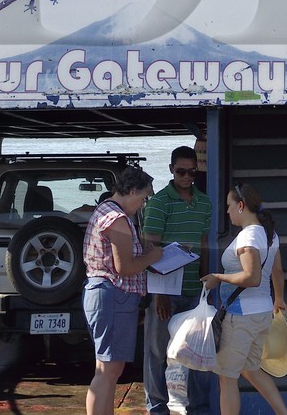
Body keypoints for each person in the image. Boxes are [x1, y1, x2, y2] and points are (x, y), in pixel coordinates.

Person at [201, 182, 287, 415]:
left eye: (230, 206)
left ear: (241, 205)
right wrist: (278, 298)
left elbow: (251, 277)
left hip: (241, 317)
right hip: (261, 314)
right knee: (251, 369)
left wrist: (217, 277)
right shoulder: (269, 234)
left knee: (226, 378)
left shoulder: (248, 236)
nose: (227, 211)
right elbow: (277, 272)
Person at [81, 164, 163, 415]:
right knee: (108, 371)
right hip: (113, 295)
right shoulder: (117, 219)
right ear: (132, 190)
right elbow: (124, 267)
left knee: (107, 369)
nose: (143, 204)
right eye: (143, 197)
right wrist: (153, 257)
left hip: (104, 294)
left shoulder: (105, 210)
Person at [142, 146, 216, 415]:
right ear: (171, 170)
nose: (187, 177)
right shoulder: (159, 202)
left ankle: (200, 407)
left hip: (195, 289)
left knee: (198, 351)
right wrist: (159, 293)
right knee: (157, 351)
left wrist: (206, 281)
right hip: (165, 289)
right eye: (182, 171)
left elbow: (205, 242)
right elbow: (150, 247)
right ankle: (157, 407)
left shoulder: (205, 202)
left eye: (192, 172)